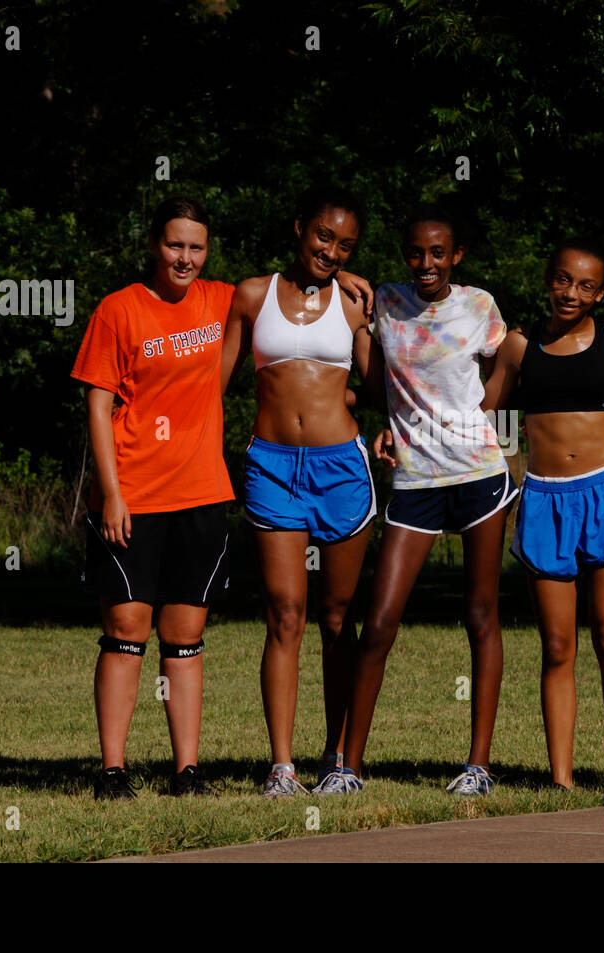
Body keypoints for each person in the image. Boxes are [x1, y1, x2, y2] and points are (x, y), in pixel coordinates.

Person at [315, 205, 514, 797]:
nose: (425, 264)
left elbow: (511, 357)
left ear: (456, 257)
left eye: (438, 253)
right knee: (377, 622)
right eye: (415, 252)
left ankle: (477, 765)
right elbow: (378, 383)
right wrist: (385, 420)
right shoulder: (386, 304)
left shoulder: (480, 306)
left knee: (480, 616)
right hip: (416, 481)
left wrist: (486, 415)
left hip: (479, 474)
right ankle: (347, 767)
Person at [72, 196, 234, 799]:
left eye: (195, 246)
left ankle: (186, 771)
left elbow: (287, 288)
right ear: (154, 245)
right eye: (174, 244)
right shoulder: (118, 310)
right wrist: (111, 494)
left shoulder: (221, 300)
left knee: (186, 635)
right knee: (125, 628)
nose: (184, 257)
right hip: (134, 495)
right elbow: (96, 405)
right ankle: (112, 771)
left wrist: (342, 275)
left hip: (201, 494)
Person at [220, 185, 376, 797]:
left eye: (345, 245)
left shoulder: (357, 302)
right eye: (323, 236)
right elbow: (215, 383)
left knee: (338, 619)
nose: (332, 251)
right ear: (297, 228)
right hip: (273, 468)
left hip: (342, 468)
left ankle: (338, 758)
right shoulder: (251, 295)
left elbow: (383, 382)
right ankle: (281, 766)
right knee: (285, 613)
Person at [482, 238, 604, 808]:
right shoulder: (518, 347)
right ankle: (562, 778)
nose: (571, 293)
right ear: (548, 280)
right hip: (545, 500)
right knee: (557, 646)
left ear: (600, 294)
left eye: (585, 286)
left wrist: (595, 421)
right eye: (562, 280)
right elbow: (487, 413)